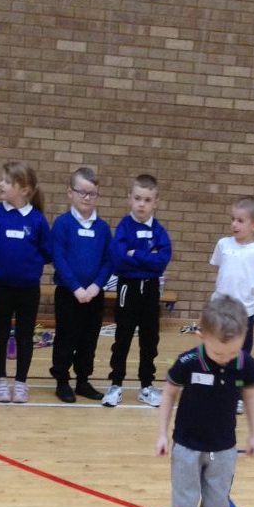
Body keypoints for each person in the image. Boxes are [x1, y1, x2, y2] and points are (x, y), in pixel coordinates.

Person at [156, 294, 254, 507]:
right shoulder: (188, 362)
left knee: (217, 505)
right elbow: (169, 394)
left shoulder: (244, 363)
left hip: (224, 448)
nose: (225, 358)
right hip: (187, 446)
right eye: (218, 353)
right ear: (202, 335)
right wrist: (162, 433)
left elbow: (250, 396)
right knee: (185, 503)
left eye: (231, 352)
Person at [0, 161, 52, 404]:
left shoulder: (37, 220)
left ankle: (21, 382)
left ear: (24, 189)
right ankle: (0, 381)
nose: (1, 184)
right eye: (2, 180)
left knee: (24, 335)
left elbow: (47, 252)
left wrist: (29, 265)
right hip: (1, 286)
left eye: (8, 181)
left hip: (28, 289)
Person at [102, 173, 172, 407]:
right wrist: (147, 257)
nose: (142, 204)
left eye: (147, 200)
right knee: (122, 337)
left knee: (150, 339)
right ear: (129, 198)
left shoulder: (159, 231)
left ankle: (146, 386)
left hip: (151, 289)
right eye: (138, 198)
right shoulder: (124, 227)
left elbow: (161, 261)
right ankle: (116, 384)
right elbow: (119, 260)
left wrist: (136, 254)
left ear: (156, 202)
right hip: (128, 288)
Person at [50, 166, 112, 403]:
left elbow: (108, 260)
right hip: (69, 293)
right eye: (82, 192)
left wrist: (96, 286)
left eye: (92, 193)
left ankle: (83, 380)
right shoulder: (63, 224)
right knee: (66, 338)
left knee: (89, 339)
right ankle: (62, 380)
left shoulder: (102, 228)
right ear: (70, 193)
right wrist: (76, 287)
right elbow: (59, 258)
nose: (87, 198)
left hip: (94, 295)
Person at [209, 195, 254, 356]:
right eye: (233, 219)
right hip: (220, 308)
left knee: (242, 351)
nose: (234, 224)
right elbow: (217, 268)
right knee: (216, 347)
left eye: (240, 221)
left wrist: (248, 293)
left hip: (244, 311)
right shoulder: (223, 244)